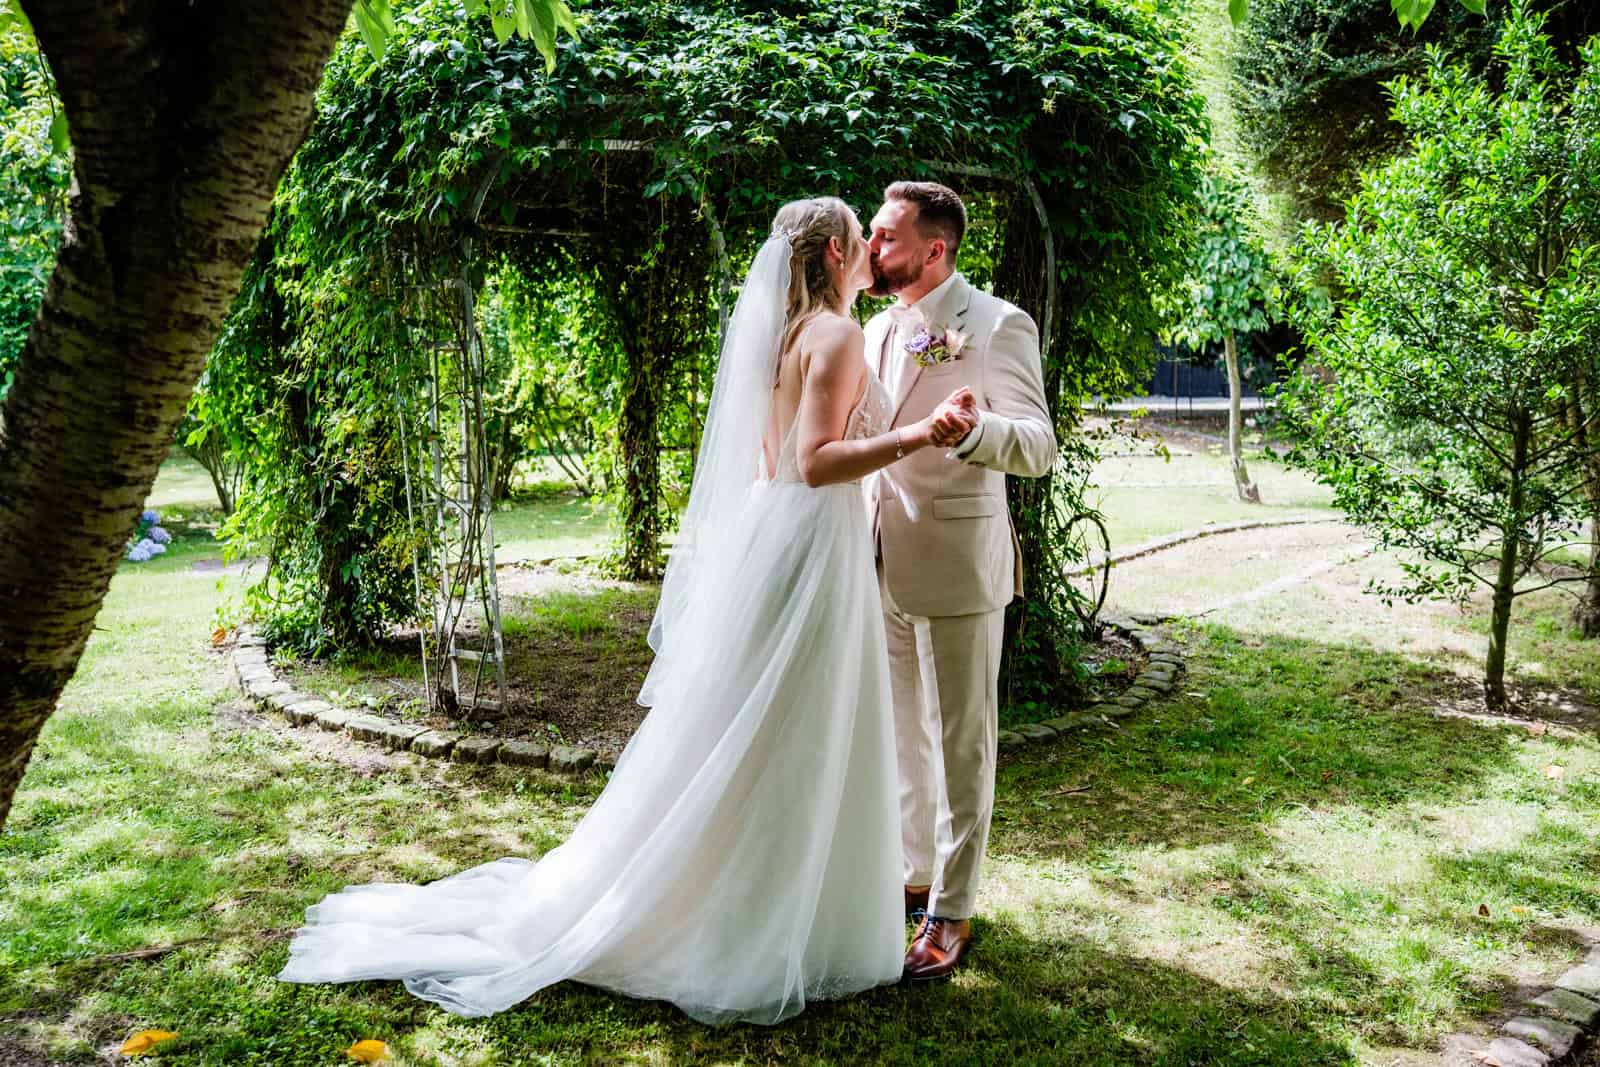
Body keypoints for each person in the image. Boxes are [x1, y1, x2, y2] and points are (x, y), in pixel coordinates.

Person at [276, 196, 977, 1024]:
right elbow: (816, 461)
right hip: (813, 543)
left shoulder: (785, 337)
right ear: (832, 254)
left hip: (778, 537)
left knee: (765, 730)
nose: (870, 249)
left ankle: (766, 895)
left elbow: (771, 458)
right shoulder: (835, 335)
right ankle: (769, 915)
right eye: (862, 238)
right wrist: (920, 435)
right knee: (800, 726)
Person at [865, 181, 1058, 980]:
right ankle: (915, 875)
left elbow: (1039, 444)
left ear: (933, 248)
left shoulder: (998, 324)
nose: (872, 250)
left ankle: (952, 909)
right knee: (903, 736)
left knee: (962, 746)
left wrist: (976, 431)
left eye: (884, 237)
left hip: (957, 562)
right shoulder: (876, 328)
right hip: (879, 559)